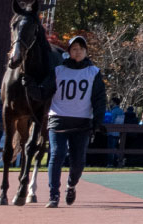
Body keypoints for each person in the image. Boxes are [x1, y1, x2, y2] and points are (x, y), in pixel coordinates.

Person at [43, 36, 106, 207]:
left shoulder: (93, 72)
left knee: (78, 161)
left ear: (86, 52)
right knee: (56, 155)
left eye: (81, 49)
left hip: (82, 122)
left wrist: (97, 122)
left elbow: (99, 99)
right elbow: (44, 93)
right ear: (69, 52)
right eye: (74, 49)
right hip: (58, 119)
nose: (77, 52)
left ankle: (71, 185)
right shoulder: (58, 71)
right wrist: (31, 87)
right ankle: (53, 195)